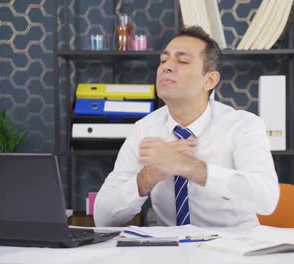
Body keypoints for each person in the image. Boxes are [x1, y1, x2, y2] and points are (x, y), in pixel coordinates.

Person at [94, 26, 279, 227]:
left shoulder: (243, 125)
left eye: (182, 61)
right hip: (171, 253)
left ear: (210, 80)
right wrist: (149, 175)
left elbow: (266, 198)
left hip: (232, 251)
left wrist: (187, 166)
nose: (167, 66)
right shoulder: (144, 129)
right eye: (163, 61)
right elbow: (102, 217)